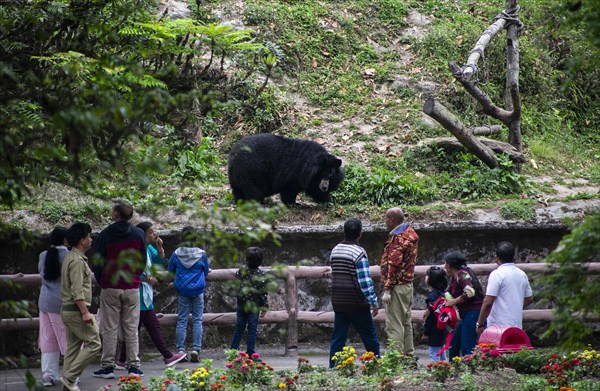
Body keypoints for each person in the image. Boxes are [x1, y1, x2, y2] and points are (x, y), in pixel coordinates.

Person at [117, 222, 187, 367]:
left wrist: (160, 247)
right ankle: (165, 356)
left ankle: (122, 360)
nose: (154, 234)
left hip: (145, 295)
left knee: (146, 326)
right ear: (142, 234)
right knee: (139, 327)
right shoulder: (134, 249)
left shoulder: (148, 248)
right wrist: (148, 279)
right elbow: (132, 269)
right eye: (150, 232)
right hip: (138, 292)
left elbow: (160, 261)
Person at [92, 201, 146, 379]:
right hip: (131, 286)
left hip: (110, 286)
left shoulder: (106, 234)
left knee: (109, 327)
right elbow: (142, 261)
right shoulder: (138, 234)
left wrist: (102, 281)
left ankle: (107, 366)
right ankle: (133, 366)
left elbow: (98, 262)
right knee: (131, 327)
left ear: (116, 214)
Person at [329, 218, 380, 368]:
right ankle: (375, 363)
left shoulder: (335, 250)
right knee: (369, 335)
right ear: (360, 233)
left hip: (338, 300)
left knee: (338, 336)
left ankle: (334, 365)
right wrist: (373, 301)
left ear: (344, 232)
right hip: (356, 301)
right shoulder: (358, 252)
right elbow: (364, 281)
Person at [60, 222, 101, 391]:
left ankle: (67, 384)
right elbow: (77, 291)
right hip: (76, 311)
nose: (91, 239)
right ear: (82, 240)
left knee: (73, 347)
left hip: (68, 310)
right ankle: (69, 378)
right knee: (94, 343)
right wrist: (85, 313)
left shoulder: (71, 257)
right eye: (89, 236)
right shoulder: (77, 261)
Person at [168, 226, 210, 363]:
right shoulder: (201, 254)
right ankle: (196, 349)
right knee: (198, 320)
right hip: (198, 291)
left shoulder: (176, 254)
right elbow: (206, 270)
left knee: (182, 320)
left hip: (183, 291)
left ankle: (180, 350)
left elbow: (171, 269)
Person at [380, 207, 419, 354]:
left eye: (386, 219)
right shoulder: (410, 233)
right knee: (406, 322)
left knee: (394, 324)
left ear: (391, 220)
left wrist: (387, 288)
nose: (385, 222)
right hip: (407, 285)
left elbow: (393, 265)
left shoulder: (398, 239)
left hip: (397, 286)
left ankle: (395, 358)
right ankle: (409, 354)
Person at [476, 241, 534, 334]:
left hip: (498, 328)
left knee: (498, 349)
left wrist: (480, 324)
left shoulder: (497, 274)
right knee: (514, 348)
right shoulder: (522, 274)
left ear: (497, 258)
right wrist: (513, 307)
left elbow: (488, 302)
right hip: (517, 326)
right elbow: (529, 299)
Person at [38, 227, 69, 387]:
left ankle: (48, 375)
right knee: (68, 340)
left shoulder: (43, 255)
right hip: (63, 304)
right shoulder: (70, 256)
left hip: (45, 302)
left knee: (48, 339)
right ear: (65, 240)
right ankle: (71, 375)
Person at [443, 251, 484, 358]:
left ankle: (470, 372)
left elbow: (470, 292)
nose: (444, 266)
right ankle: (454, 370)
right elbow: (447, 292)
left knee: (467, 347)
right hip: (468, 315)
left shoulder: (462, 275)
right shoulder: (457, 275)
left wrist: (453, 301)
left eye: (446, 263)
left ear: (450, 265)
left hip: (473, 313)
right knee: (454, 345)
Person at [230, 246, 269, 358]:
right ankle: (250, 352)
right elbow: (263, 293)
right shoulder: (261, 275)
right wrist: (264, 307)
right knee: (252, 329)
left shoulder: (242, 271)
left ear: (247, 260)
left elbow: (237, 275)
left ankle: (233, 351)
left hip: (241, 304)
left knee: (239, 327)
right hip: (254, 306)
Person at [422, 266, 449, 362]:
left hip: (434, 329)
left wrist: (426, 332)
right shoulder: (444, 294)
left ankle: (435, 370)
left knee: (434, 353)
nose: (425, 277)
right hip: (443, 327)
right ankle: (445, 369)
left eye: (427, 276)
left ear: (432, 280)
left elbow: (429, 317)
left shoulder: (432, 297)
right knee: (441, 351)